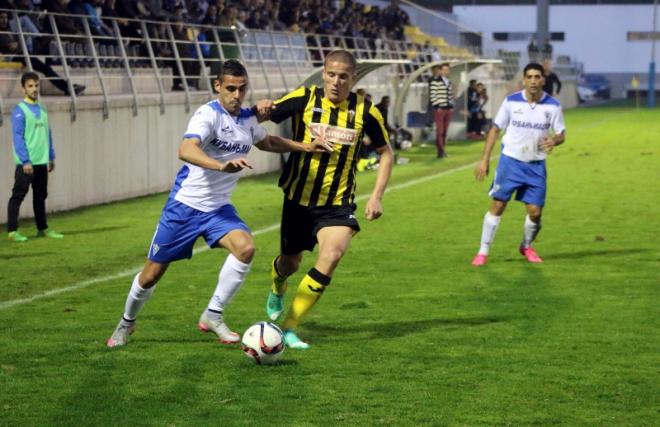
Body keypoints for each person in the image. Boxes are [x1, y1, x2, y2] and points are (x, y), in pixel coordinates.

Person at [106, 60, 333, 348]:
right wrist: (220, 165)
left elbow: (269, 142)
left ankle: (213, 314)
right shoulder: (208, 115)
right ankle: (126, 323)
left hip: (218, 209)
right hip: (185, 207)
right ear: (217, 86)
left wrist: (305, 146)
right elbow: (186, 149)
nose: (237, 95)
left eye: (242, 89)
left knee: (246, 248)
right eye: (230, 89)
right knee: (151, 274)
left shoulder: (248, 120)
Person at [254, 49, 394, 349]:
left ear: (352, 78)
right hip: (298, 200)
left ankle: (290, 327)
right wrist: (261, 107)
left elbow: (386, 153)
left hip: (337, 204)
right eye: (331, 74)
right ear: (324, 73)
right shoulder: (304, 98)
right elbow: (264, 114)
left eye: (343, 76)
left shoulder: (367, 112)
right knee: (290, 263)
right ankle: (278, 284)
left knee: (331, 255)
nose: (335, 81)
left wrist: (377, 197)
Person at [471, 62, 566, 266]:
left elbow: (561, 133)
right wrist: (484, 160)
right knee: (498, 205)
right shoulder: (511, 102)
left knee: (535, 212)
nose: (533, 81)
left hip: (536, 165)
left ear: (543, 79)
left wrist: (555, 140)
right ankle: (483, 251)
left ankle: (526, 246)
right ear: (523, 80)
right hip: (510, 162)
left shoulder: (553, 105)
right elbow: (495, 130)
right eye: (529, 77)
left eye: (537, 77)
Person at [7, 72, 64, 243]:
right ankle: (12, 231)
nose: (34, 89)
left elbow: (48, 134)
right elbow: (18, 137)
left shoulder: (42, 109)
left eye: (36, 85)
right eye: (30, 86)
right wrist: (25, 160)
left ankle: (42, 228)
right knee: (17, 196)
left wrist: (51, 156)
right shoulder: (20, 110)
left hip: (41, 162)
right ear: (23, 89)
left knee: (40, 197)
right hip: (27, 163)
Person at [0, 11, 85, 96]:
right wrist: (16, 45)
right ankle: (68, 88)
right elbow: (8, 46)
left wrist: (18, 44)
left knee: (46, 68)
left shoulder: (8, 30)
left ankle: (67, 87)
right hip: (13, 57)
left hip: (22, 54)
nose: (4, 20)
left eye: (6, 18)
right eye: (1, 18)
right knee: (45, 68)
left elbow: (17, 44)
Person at [428, 63, 453, 158]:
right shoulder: (435, 82)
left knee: (445, 131)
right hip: (440, 109)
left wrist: (451, 106)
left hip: (448, 108)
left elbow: (450, 95)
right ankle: (441, 150)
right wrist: (437, 106)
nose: (446, 72)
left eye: (447, 70)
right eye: (444, 70)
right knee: (440, 131)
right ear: (441, 71)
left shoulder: (449, 82)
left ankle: (442, 149)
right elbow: (433, 95)